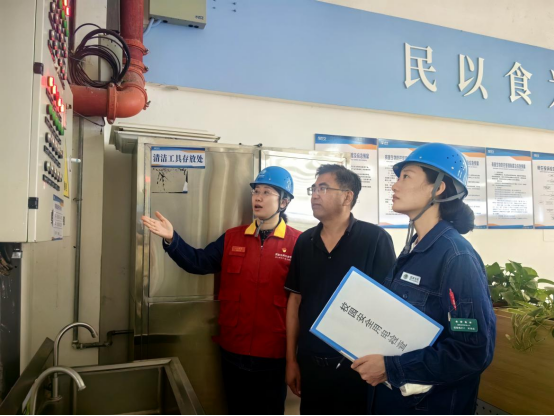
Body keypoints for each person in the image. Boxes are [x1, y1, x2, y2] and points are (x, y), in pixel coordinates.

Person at [142, 166, 302, 416]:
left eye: (266, 192)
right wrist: (172, 239)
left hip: (273, 354)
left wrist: (295, 358)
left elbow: (305, 300)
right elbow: (199, 262)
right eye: (256, 191)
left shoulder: (298, 243)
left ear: (284, 201)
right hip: (233, 350)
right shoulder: (232, 238)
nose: (258, 198)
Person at [352, 143, 496, 415]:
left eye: (406, 176)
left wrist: (392, 368)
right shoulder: (413, 249)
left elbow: (472, 352)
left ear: (438, 188)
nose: (394, 185)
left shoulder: (456, 257)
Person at [285, 164, 396, 415]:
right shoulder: (304, 241)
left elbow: (388, 306)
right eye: (313, 188)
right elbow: (295, 301)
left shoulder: (375, 239)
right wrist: (291, 360)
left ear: (347, 197)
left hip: (356, 368)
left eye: (323, 188)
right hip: (310, 365)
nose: (315, 195)